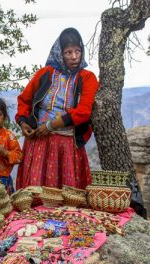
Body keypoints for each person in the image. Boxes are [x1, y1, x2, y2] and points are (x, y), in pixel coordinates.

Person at [15, 27, 98, 190]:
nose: (74, 57)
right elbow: (24, 100)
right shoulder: (45, 74)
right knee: (35, 193)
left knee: (66, 195)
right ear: (60, 53)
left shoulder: (87, 78)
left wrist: (51, 126)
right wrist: (23, 122)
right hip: (38, 143)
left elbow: (83, 111)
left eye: (77, 51)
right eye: (68, 52)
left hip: (66, 144)